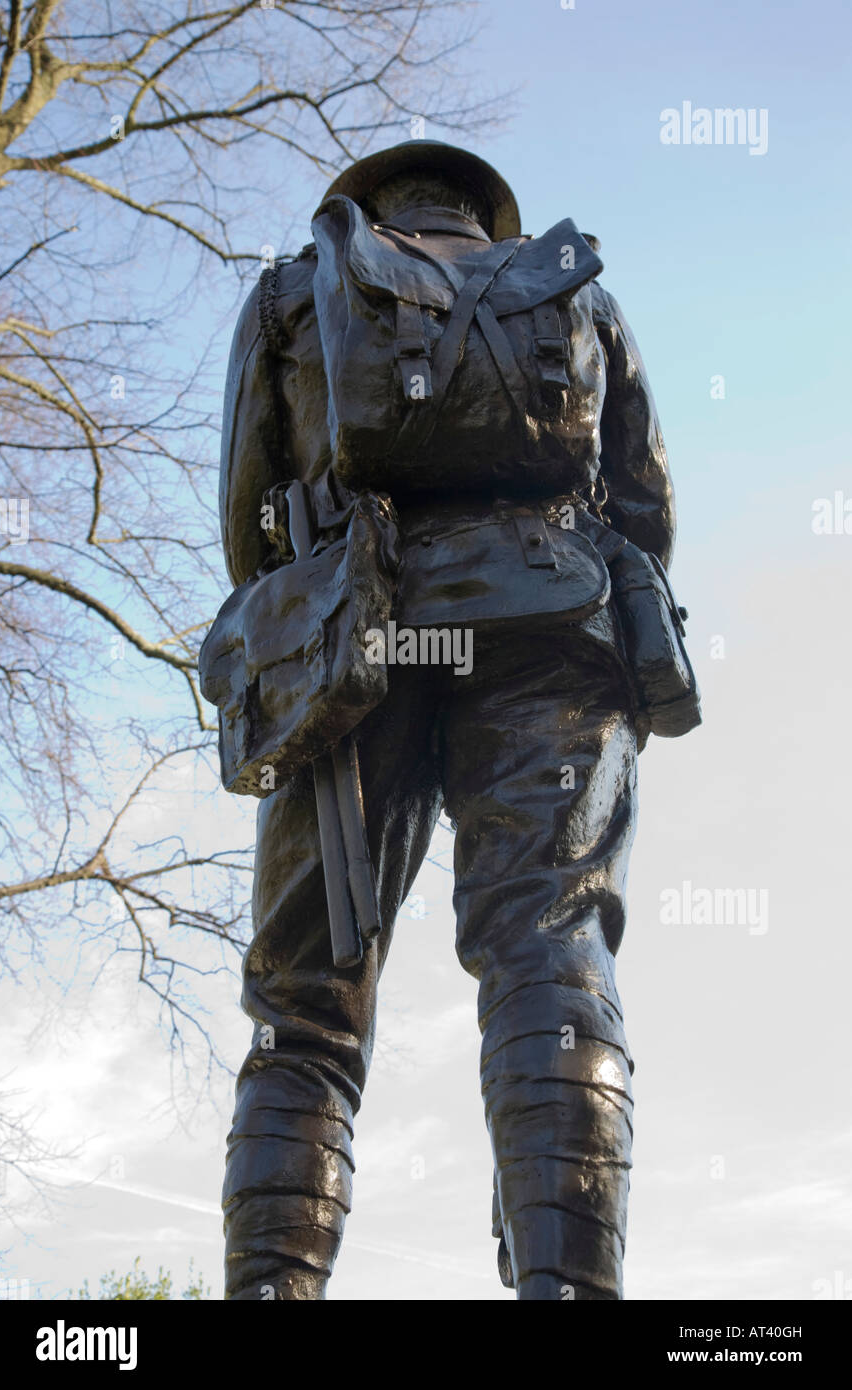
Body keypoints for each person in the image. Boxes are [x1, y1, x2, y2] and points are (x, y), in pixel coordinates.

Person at [213, 140, 695, 1300]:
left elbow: (248, 519)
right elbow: (644, 506)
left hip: (350, 639)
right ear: (485, 217)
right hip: (554, 632)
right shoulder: (574, 292)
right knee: (552, 953)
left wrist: (305, 629)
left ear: (368, 209)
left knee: (305, 1012)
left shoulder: (292, 293)